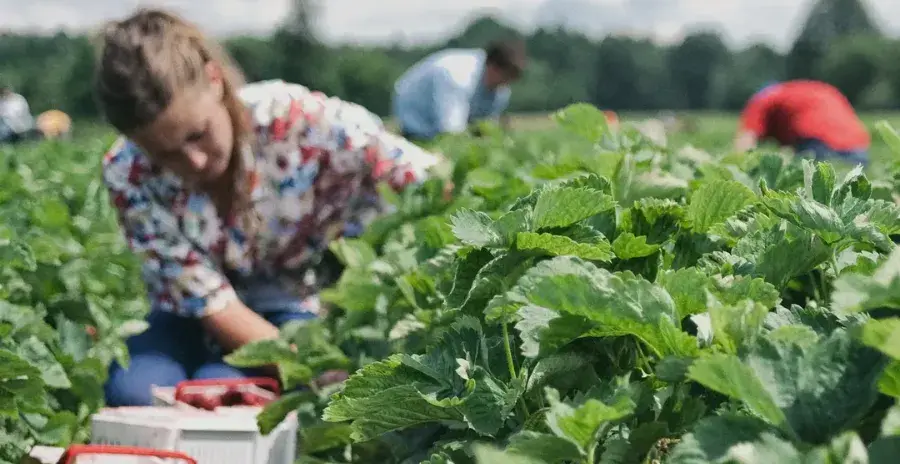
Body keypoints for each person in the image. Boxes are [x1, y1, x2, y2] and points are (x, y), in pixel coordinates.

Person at [95, 9, 446, 406]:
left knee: (226, 392)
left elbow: (422, 177)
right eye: (165, 154)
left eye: (198, 134)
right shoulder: (129, 173)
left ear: (214, 80)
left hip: (291, 301)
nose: (192, 162)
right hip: (189, 313)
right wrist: (314, 368)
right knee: (135, 394)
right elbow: (210, 303)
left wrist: (314, 363)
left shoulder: (296, 120)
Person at [392, 39, 526, 142]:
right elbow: (451, 131)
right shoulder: (457, 77)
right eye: (505, 78)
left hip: (447, 121)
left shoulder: (500, 89)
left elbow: (486, 127)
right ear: (493, 67)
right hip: (417, 117)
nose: (505, 85)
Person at [734, 80, 870, 167]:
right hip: (858, 147)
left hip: (819, 141)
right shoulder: (800, 92)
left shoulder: (763, 100)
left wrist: (736, 167)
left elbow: (746, 140)